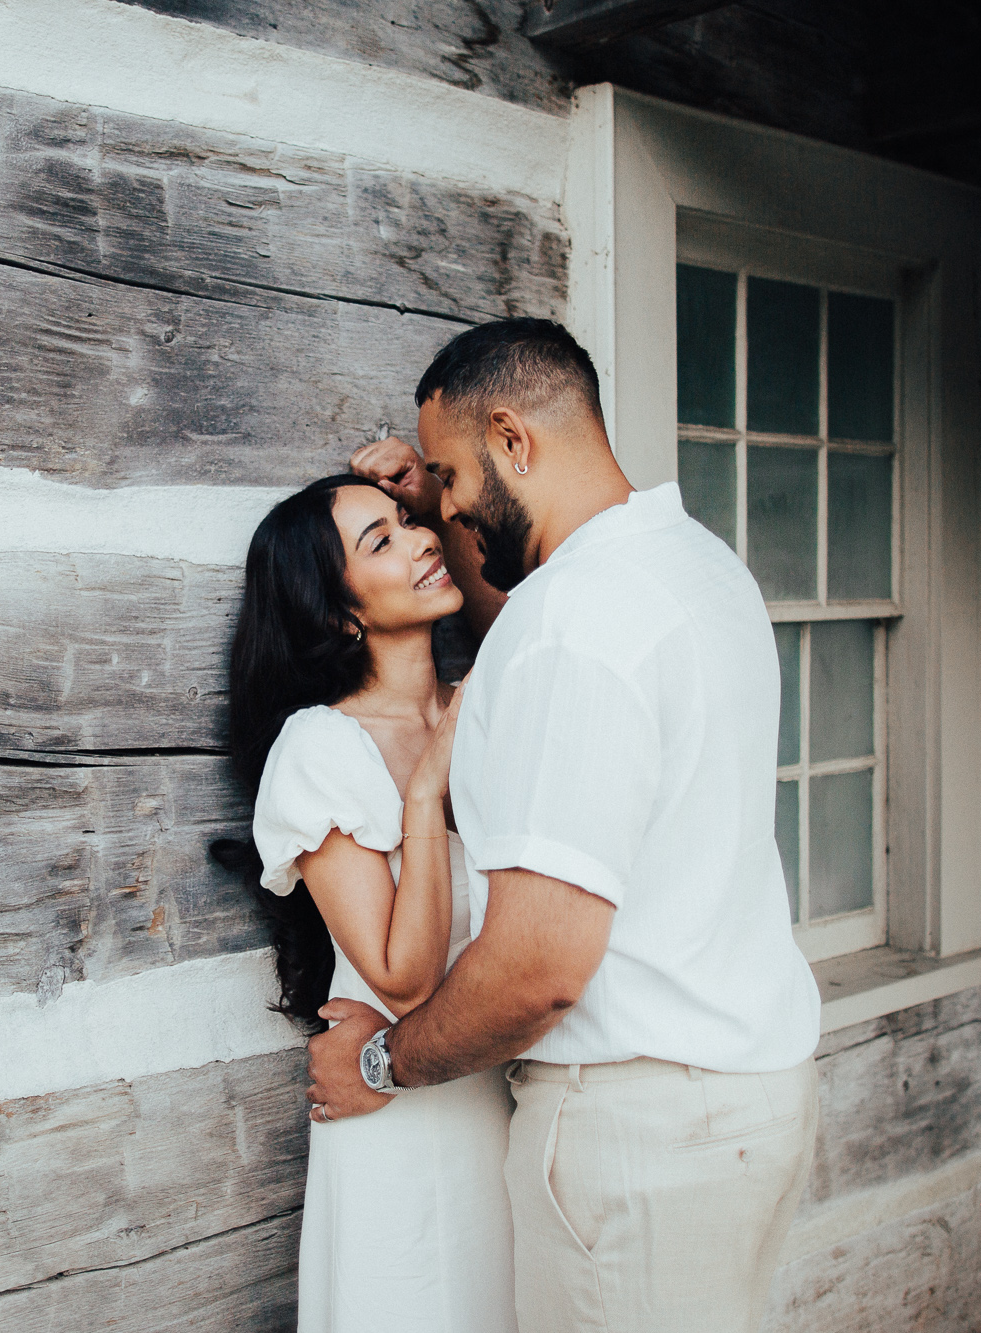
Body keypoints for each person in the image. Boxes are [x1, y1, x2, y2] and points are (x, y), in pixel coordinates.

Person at [313, 319, 824, 1333]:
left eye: (449, 479)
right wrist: (434, 502)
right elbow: (538, 651)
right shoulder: (698, 566)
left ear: (512, 440)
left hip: (637, 1134)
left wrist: (383, 1060)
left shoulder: (570, 627)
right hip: (746, 1099)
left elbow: (539, 965)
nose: (441, 508)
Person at [223, 474, 519, 1333]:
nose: (423, 540)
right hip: (403, 1129)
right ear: (338, 615)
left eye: (410, 522)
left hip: (510, 1100)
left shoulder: (486, 708)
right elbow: (404, 979)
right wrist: (424, 796)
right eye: (380, 542)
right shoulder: (321, 749)